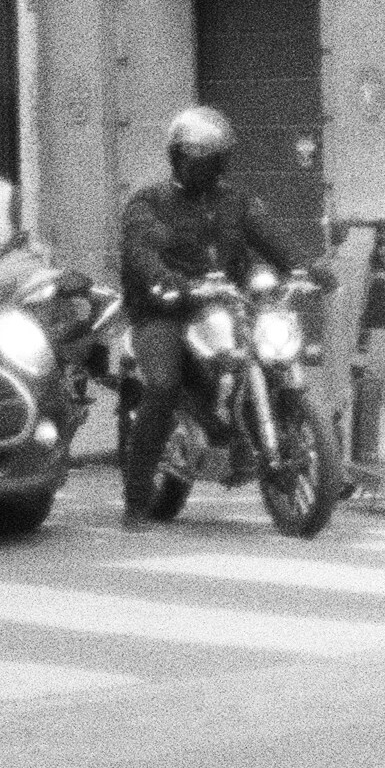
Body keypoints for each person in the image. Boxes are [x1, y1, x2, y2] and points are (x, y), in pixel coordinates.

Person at [117, 105, 315, 516]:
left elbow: (271, 238)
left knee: (273, 356)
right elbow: (141, 253)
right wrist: (170, 282)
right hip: (165, 311)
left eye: (214, 160)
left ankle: (257, 436)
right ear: (178, 157)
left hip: (228, 305)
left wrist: (305, 268)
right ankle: (136, 500)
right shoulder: (149, 203)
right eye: (199, 159)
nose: (207, 168)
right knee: (163, 385)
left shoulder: (236, 201)